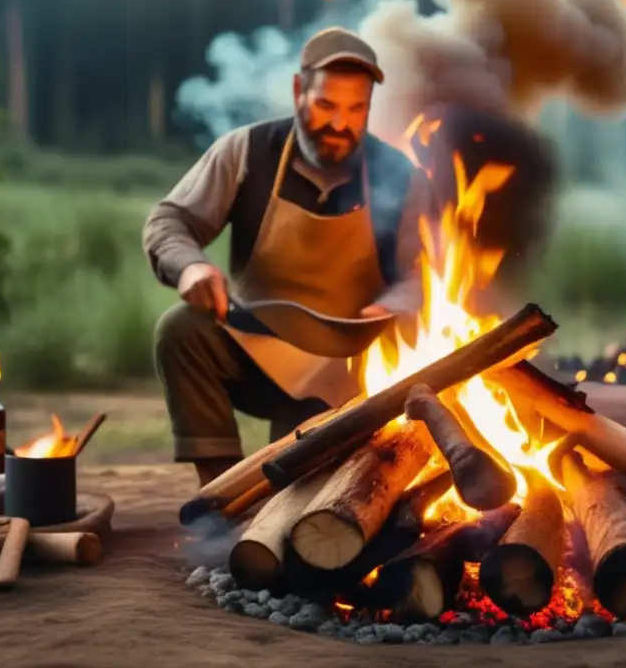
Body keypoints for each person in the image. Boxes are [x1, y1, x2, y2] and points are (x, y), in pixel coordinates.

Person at [142, 27, 432, 487]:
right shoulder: (247, 152)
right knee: (180, 330)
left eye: (356, 109)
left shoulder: (399, 175)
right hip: (258, 349)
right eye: (326, 105)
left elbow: (428, 273)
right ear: (299, 92)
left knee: (299, 486)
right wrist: (190, 265)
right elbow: (168, 221)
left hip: (350, 368)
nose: (340, 123)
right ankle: (219, 499)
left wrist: (397, 302)